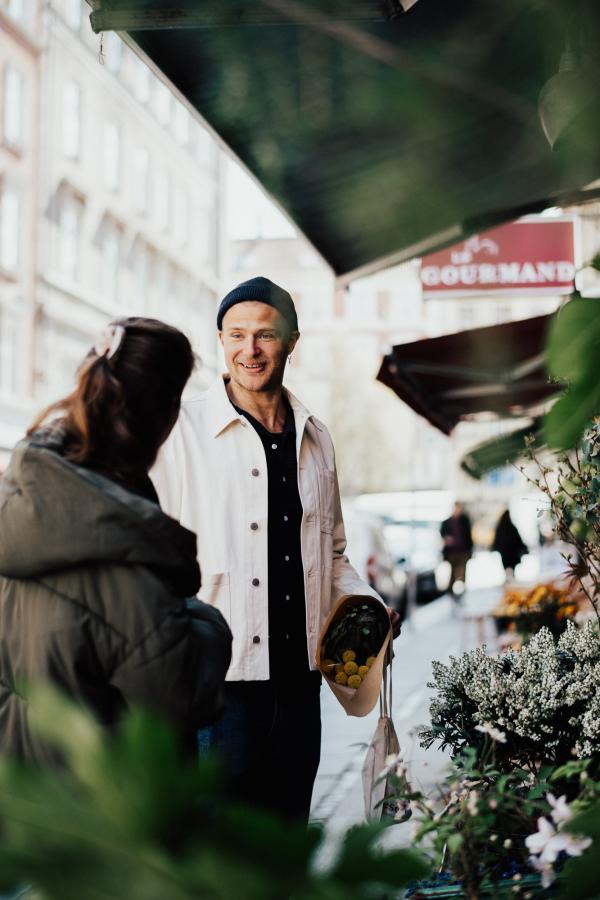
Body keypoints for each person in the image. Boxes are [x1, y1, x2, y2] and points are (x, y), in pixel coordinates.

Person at [152, 276, 400, 823]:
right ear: (220, 339)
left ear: (291, 341)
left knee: (286, 845)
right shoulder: (180, 430)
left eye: (265, 335)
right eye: (237, 335)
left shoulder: (317, 437)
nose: (251, 350)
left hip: (299, 685)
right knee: (221, 857)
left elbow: (332, 554)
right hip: (219, 689)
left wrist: (369, 607)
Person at [0, 317, 232, 765]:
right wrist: (208, 623)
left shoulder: (18, 500)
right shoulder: (132, 554)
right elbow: (183, 696)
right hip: (100, 813)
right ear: (165, 415)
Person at [440, 501, 473, 598]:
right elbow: (443, 534)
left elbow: (468, 536)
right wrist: (447, 539)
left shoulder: (465, 520)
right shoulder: (447, 522)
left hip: (463, 550)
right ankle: (450, 591)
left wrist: (470, 549)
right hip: (452, 551)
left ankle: (461, 587)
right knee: (453, 571)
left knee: (462, 570)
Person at [492, 509, 528, 581]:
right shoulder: (512, 527)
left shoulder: (500, 528)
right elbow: (518, 540)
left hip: (504, 554)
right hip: (512, 553)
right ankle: (511, 582)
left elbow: (497, 541)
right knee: (511, 568)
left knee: (507, 568)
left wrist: (497, 548)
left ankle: (509, 581)